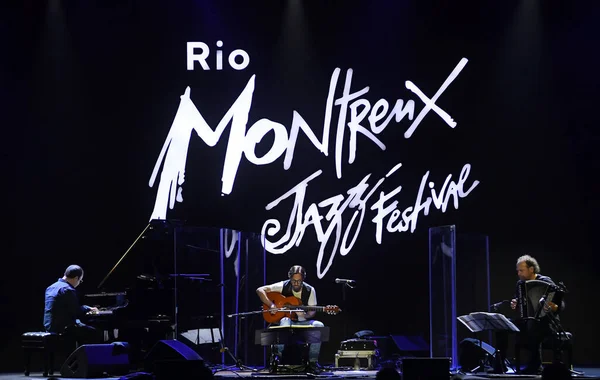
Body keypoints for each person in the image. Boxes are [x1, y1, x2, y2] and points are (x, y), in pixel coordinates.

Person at [496, 255, 565, 375]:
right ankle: (500, 365)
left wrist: (555, 307)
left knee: (535, 326)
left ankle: (535, 366)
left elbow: (560, 303)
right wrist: (515, 303)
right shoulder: (520, 284)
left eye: (521, 270)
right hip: (526, 320)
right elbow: (519, 302)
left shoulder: (546, 281)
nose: (518, 273)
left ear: (531, 269)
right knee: (502, 325)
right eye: (517, 270)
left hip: (547, 322)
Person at [256, 265, 325, 366]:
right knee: (285, 320)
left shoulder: (310, 290)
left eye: (299, 281)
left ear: (303, 279)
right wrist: (271, 304)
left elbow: (312, 312)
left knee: (319, 325)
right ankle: (277, 358)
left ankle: (313, 361)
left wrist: (305, 315)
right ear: (290, 278)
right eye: (293, 281)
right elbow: (260, 290)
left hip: (302, 322)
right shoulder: (283, 285)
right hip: (286, 321)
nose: (296, 284)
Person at [44, 265, 101, 344]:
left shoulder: (50, 287)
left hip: (49, 327)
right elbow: (76, 312)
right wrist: (87, 308)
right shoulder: (67, 289)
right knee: (94, 333)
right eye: (80, 281)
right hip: (63, 329)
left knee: (82, 328)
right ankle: (81, 356)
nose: (79, 283)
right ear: (76, 278)